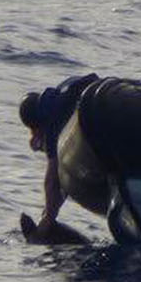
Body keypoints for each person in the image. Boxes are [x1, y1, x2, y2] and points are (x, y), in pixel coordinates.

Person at [17, 73, 98, 243]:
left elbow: (52, 180)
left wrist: (47, 221)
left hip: (102, 111)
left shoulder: (53, 120)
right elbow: (64, 177)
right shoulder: (58, 98)